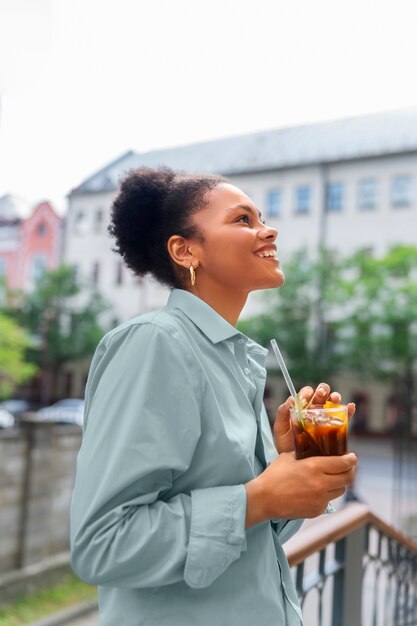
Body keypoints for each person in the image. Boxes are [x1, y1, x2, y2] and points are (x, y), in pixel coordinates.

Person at [70, 167, 356, 626]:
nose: (269, 229)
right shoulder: (156, 343)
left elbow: (252, 537)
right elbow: (103, 544)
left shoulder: (233, 358)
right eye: (243, 219)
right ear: (185, 250)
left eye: (261, 217)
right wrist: (259, 497)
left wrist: (290, 467)